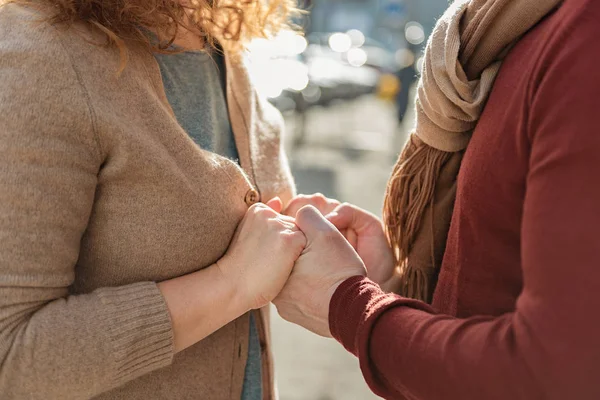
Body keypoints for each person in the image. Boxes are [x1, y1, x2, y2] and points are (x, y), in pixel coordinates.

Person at [276, 0, 600, 398]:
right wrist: (393, 286)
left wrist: (349, 306)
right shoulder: (513, 24)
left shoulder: (583, 38)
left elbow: (551, 374)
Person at [0, 0, 304, 398]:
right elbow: (11, 357)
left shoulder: (218, 38)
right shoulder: (41, 55)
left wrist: (302, 234)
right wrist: (230, 284)